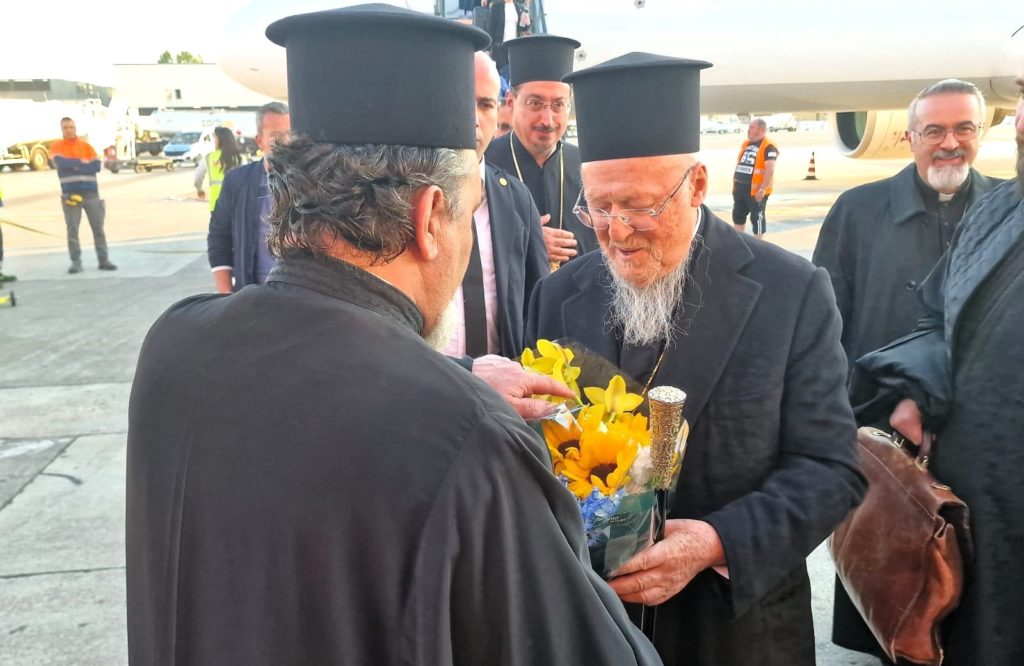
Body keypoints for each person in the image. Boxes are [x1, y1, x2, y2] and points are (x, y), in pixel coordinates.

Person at [126, 6, 660, 665]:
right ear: (431, 216)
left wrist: (458, 377)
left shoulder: (175, 345)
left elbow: (315, 399)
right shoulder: (467, 435)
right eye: (467, 213)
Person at [526, 52, 866, 665]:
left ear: (699, 185)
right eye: (598, 208)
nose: (618, 231)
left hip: (733, 629)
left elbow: (831, 467)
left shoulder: (791, 292)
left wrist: (713, 542)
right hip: (595, 623)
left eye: (640, 206)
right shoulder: (557, 295)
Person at [849, 65, 1024, 666]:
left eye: (965, 128)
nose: (950, 143)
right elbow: (938, 317)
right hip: (950, 475)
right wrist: (910, 390)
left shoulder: (994, 199)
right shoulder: (1000, 211)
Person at [813, 79, 1001, 373]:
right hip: (879, 404)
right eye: (934, 132)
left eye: (964, 128)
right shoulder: (856, 211)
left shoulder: (1012, 208)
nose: (950, 144)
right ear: (910, 138)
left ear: (980, 133)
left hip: (986, 407)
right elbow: (823, 323)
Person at [440, 51, 548, 360]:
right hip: (428, 390)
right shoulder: (402, 199)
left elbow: (536, 299)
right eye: (462, 102)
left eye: (485, 105)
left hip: (504, 391)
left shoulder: (516, 198)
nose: (473, 119)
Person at [486, 34, 598, 267]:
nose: (547, 120)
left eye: (558, 105)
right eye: (535, 103)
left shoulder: (589, 167)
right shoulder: (482, 165)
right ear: (510, 102)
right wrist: (525, 243)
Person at [206, 102, 290, 293]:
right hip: (252, 296)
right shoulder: (237, 182)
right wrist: (226, 296)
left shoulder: (315, 182)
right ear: (259, 141)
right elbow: (219, 237)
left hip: (302, 301)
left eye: (289, 135)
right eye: (276, 137)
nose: (285, 143)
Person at [50, 117, 116, 274]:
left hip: (91, 194)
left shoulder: (86, 147)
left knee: (98, 228)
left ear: (75, 128)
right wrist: (82, 163)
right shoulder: (56, 147)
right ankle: (76, 262)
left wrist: (73, 164)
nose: (69, 130)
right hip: (70, 196)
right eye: (65, 127)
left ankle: (103, 259)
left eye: (71, 127)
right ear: (61, 129)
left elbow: (96, 166)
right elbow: (60, 164)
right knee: (72, 230)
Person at [731, 118, 777, 239]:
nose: (748, 130)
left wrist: (762, 189)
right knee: (738, 216)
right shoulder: (746, 144)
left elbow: (770, 170)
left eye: (752, 127)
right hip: (740, 189)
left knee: (757, 219)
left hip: (755, 191)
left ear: (761, 130)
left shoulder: (769, 147)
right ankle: (740, 242)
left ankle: (759, 245)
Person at [194, 126, 244, 211]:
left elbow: (198, 177)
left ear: (220, 139)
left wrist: (199, 189)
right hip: (236, 205)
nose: (213, 140)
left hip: (216, 205)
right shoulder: (239, 158)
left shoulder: (209, 158)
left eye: (215, 137)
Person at [485, 0, 530, 78]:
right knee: (501, 75)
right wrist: (487, 49)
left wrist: (527, 24)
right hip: (500, 47)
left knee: (513, 75)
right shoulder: (496, 6)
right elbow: (491, 28)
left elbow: (521, 28)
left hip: (514, 48)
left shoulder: (518, 7)